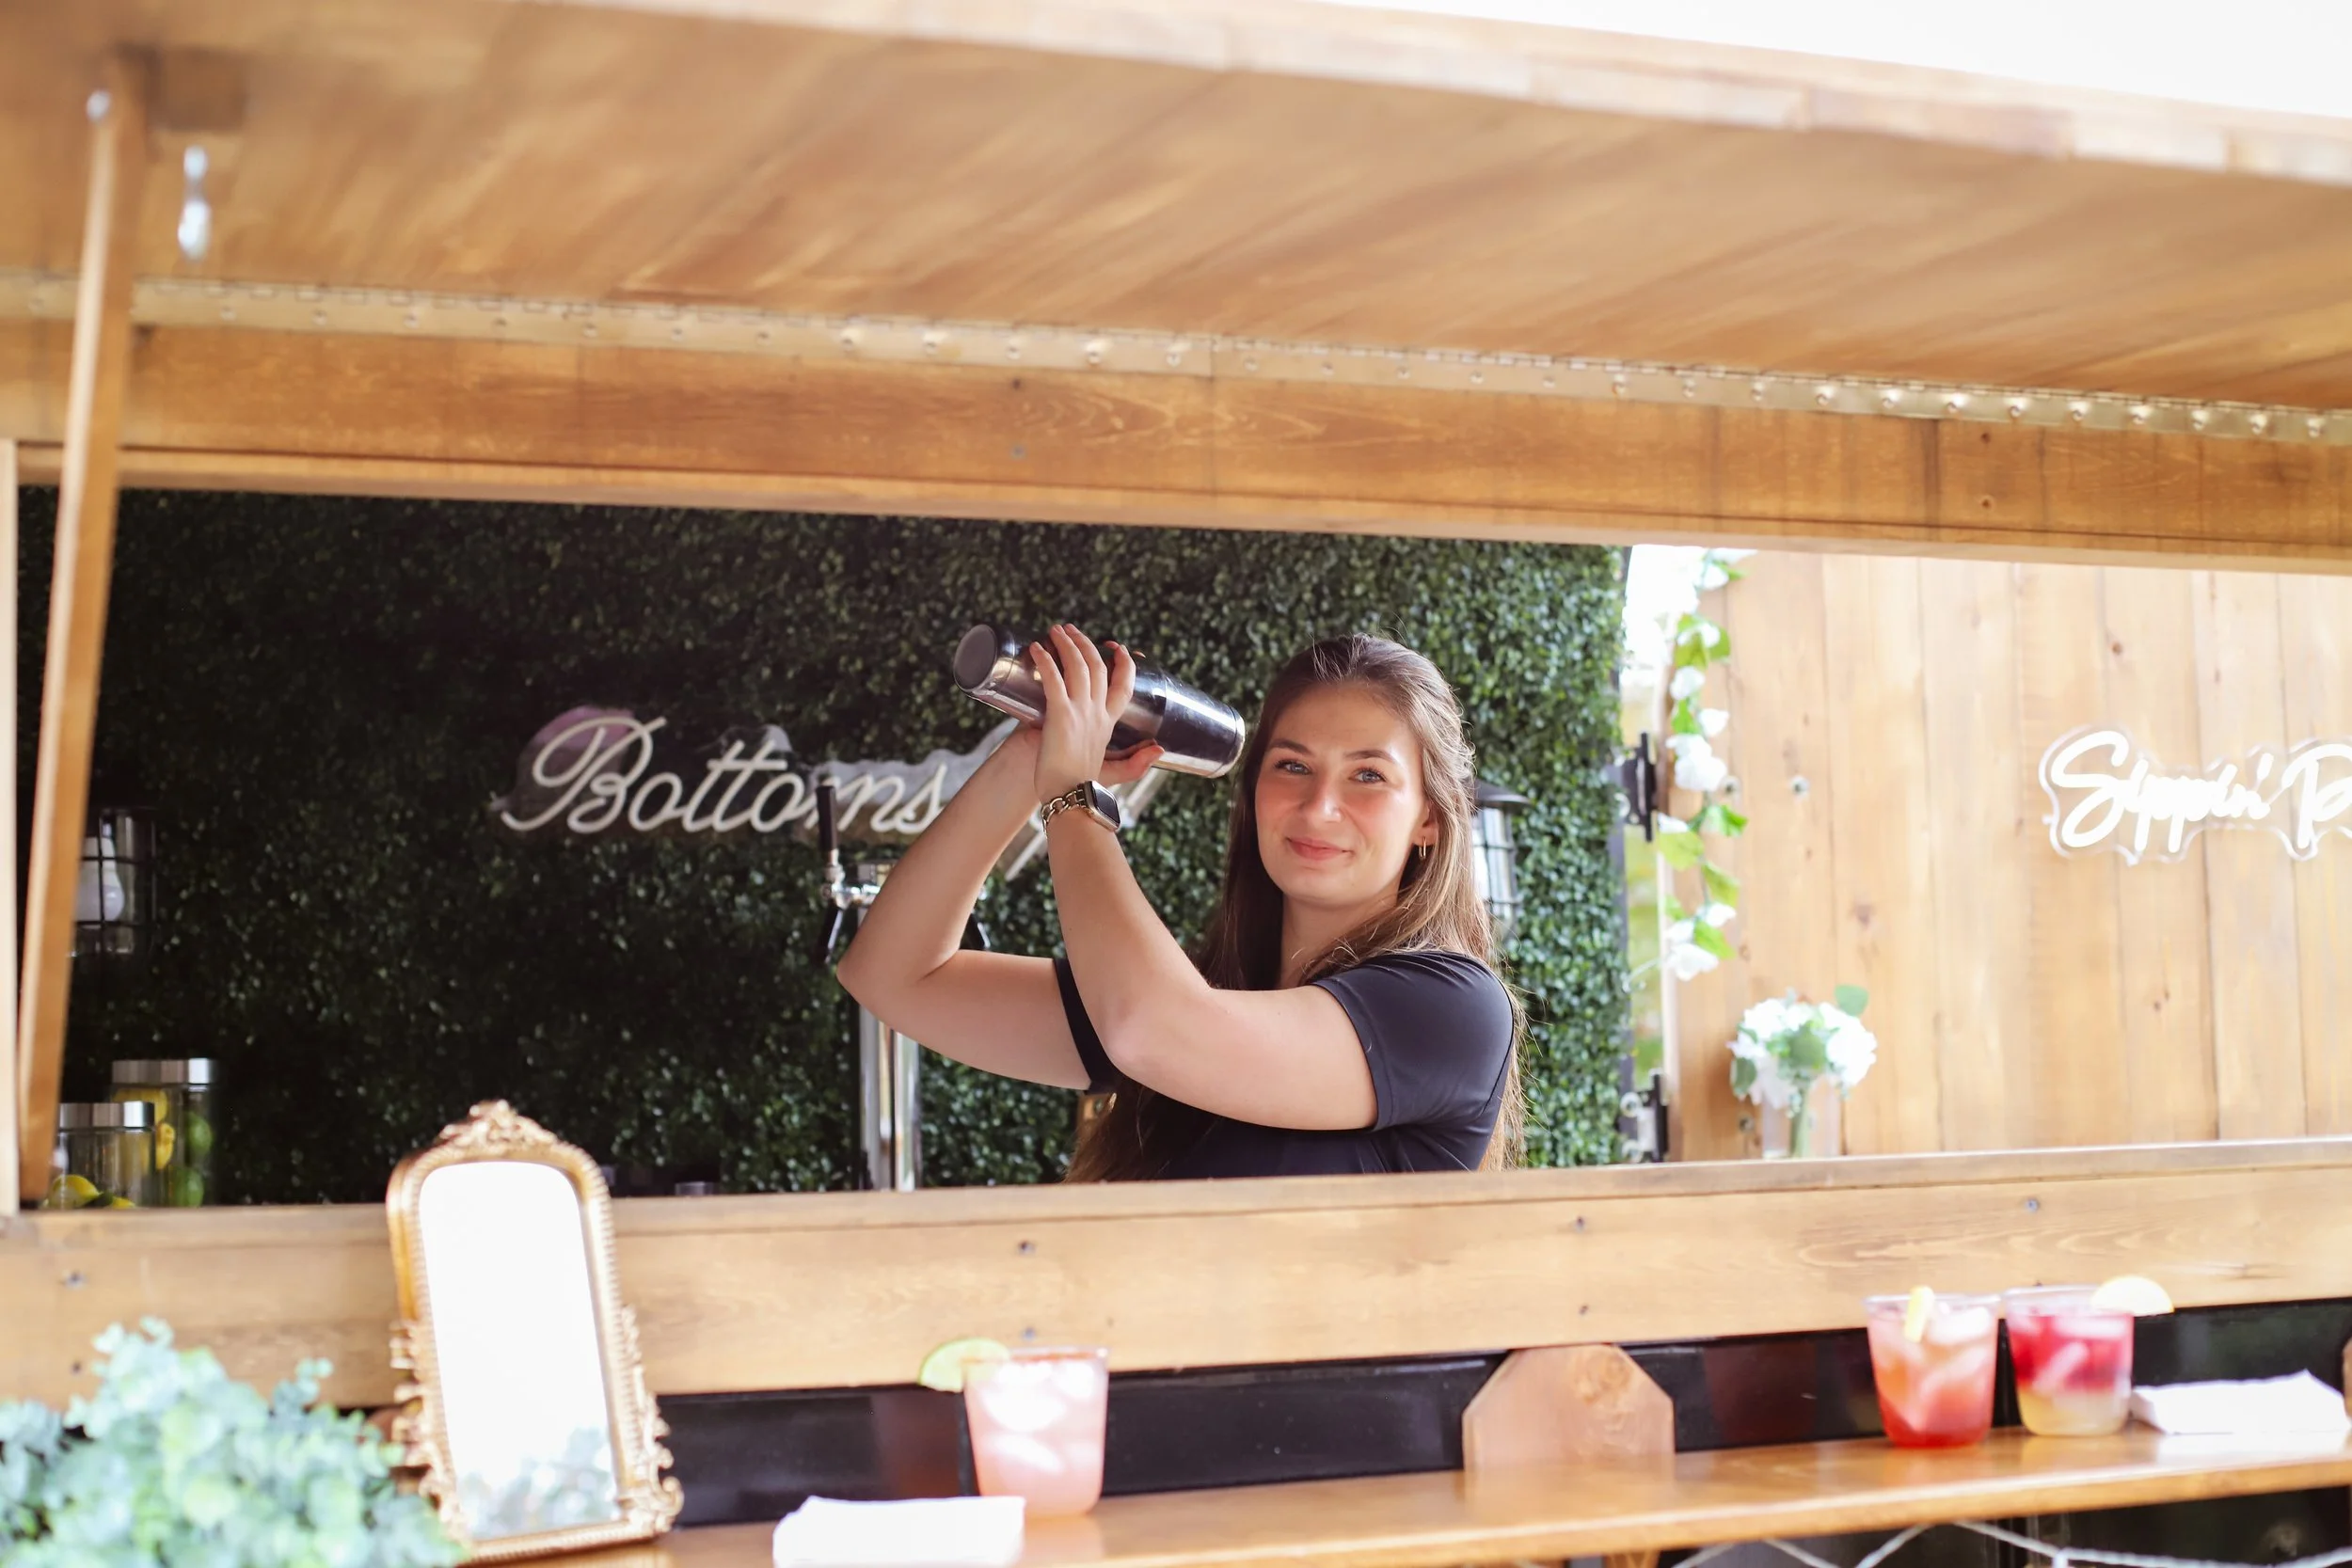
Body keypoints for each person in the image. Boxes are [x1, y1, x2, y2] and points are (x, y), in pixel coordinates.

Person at [836, 626, 1520, 1180]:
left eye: (1368, 774)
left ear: (1430, 818)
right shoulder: (1198, 993)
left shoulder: (1451, 1007)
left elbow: (1152, 1029)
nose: (1320, 805)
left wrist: (1071, 798)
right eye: (1292, 765)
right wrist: (1031, 757)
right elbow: (894, 975)